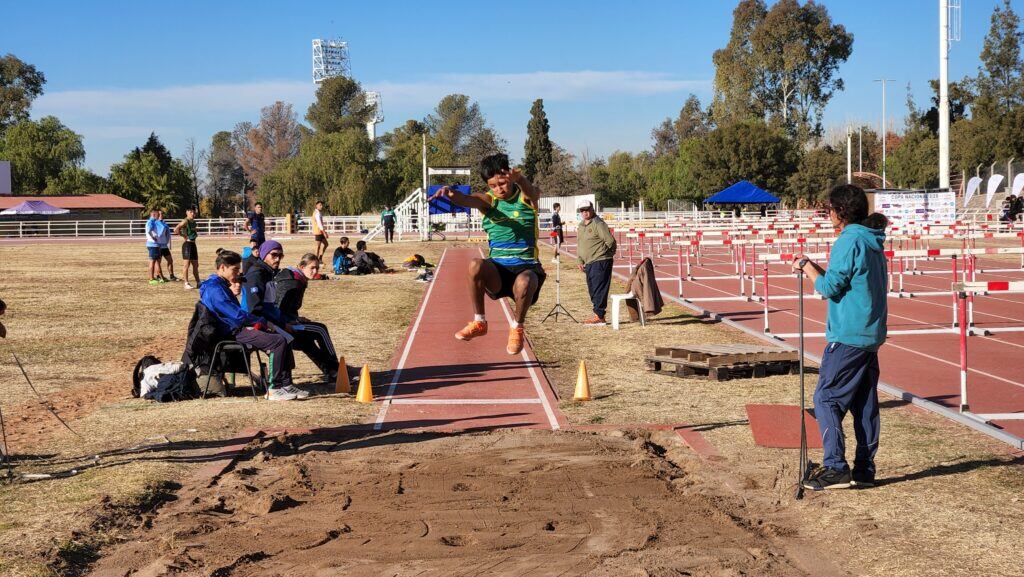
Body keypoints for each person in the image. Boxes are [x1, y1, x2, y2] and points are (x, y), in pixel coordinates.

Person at [793, 184, 888, 491]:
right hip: (868, 334)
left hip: (848, 334)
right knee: (863, 403)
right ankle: (864, 468)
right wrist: (816, 268)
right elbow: (844, 280)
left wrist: (806, 266)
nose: (827, 214)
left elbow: (830, 288)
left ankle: (836, 467)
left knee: (826, 398)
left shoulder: (847, 240)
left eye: (829, 209)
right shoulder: (870, 240)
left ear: (840, 211)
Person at [429, 153, 545, 355]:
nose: (499, 189)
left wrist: (521, 179)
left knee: (525, 282)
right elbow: (468, 199)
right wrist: (451, 194)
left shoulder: (525, 197)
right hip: (499, 269)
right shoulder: (489, 201)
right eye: (493, 185)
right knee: (475, 264)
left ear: (510, 177)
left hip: (526, 267)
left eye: (502, 183)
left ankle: (517, 327)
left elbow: (533, 194)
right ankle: (479, 322)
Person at [200, 249, 306, 401]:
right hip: (231, 332)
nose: (238, 273)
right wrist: (261, 322)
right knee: (278, 341)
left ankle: (286, 384)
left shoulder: (218, 285)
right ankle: (274, 388)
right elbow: (236, 315)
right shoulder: (214, 289)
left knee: (285, 337)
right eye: (235, 269)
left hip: (236, 328)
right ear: (222, 267)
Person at [274, 253, 341, 382]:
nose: (315, 271)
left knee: (306, 342)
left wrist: (295, 317)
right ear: (301, 266)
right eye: (312, 268)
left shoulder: (298, 279)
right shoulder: (292, 282)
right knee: (321, 329)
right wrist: (293, 320)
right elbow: (278, 306)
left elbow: (288, 307)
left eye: (317, 268)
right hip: (281, 324)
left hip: (286, 320)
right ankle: (336, 368)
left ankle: (331, 372)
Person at [576, 200, 617, 325]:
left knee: (599, 288)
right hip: (589, 262)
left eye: (586, 210)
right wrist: (580, 259)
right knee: (592, 289)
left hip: (600, 260)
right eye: (582, 211)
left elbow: (610, 241)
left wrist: (607, 254)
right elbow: (581, 243)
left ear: (592, 209)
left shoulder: (598, 224)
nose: (584, 212)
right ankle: (598, 314)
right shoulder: (581, 225)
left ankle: (599, 316)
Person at [174, 206, 200, 289]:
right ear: (187, 212)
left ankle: (198, 282)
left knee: (195, 265)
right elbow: (176, 229)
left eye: (194, 212)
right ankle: (186, 283)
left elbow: (193, 231)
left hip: (193, 244)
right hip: (187, 245)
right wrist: (184, 236)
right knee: (186, 265)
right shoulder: (185, 221)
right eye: (191, 212)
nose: (193, 214)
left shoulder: (194, 222)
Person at [145, 208, 167, 285]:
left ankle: (160, 277)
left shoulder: (154, 221)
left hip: (155, 245)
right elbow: (149, 230)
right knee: (152, 262)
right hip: (152, 244)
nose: (159, 216)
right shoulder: (151, 221)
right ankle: (151, 279)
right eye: (158, 214)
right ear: (154, 214)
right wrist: (154, 237)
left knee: (157, 262)